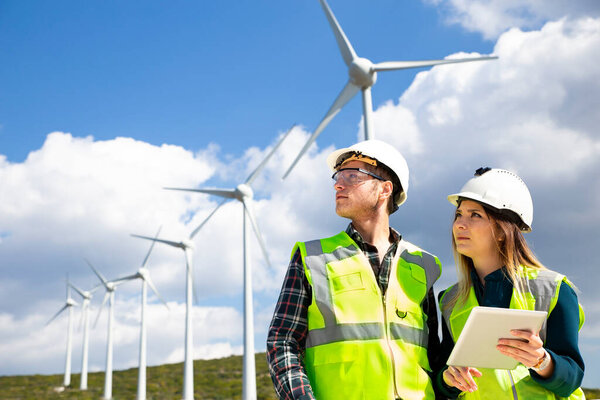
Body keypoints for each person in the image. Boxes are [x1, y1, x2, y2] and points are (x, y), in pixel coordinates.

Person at [267, 139, 443, 400]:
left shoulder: (423, 263)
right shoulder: (312, 257)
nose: (339, 184)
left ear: (384, 189)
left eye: (352, 176)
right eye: (337, 177)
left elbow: (434, 354)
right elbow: (282, 343)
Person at [435, 167, 585, 399]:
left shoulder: (554, 290)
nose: (460, 225)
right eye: (458, 215)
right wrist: (449, 379)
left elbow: (571, 378)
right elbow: (442, 382)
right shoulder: (450, 300)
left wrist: (542, 361)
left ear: (503, 230)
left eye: (475, 215)